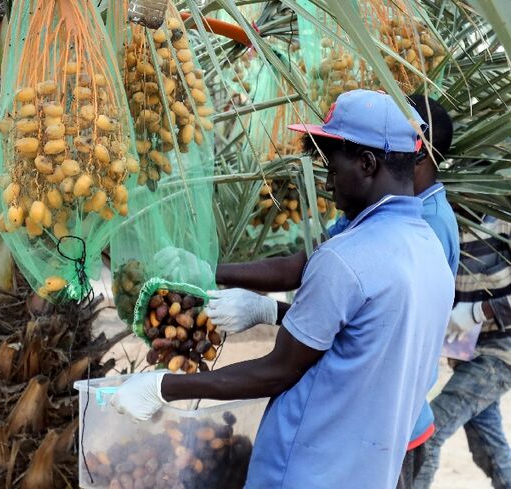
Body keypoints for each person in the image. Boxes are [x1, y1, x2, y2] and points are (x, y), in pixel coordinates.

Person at [111, 89, 455, 489]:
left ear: (367, 163)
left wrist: (162, 387)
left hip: (304, 471)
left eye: (332, 167)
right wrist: (213, 272)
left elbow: (276, 371)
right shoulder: (429, 247)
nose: (326, 183)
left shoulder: (347, 259)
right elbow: (359, 333)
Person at [414, 215, 511, 489]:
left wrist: (478, 311)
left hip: (501, 352)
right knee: (489, 448)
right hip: (467, 353)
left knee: (428, 435)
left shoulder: (503, 219)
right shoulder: (448, 222)